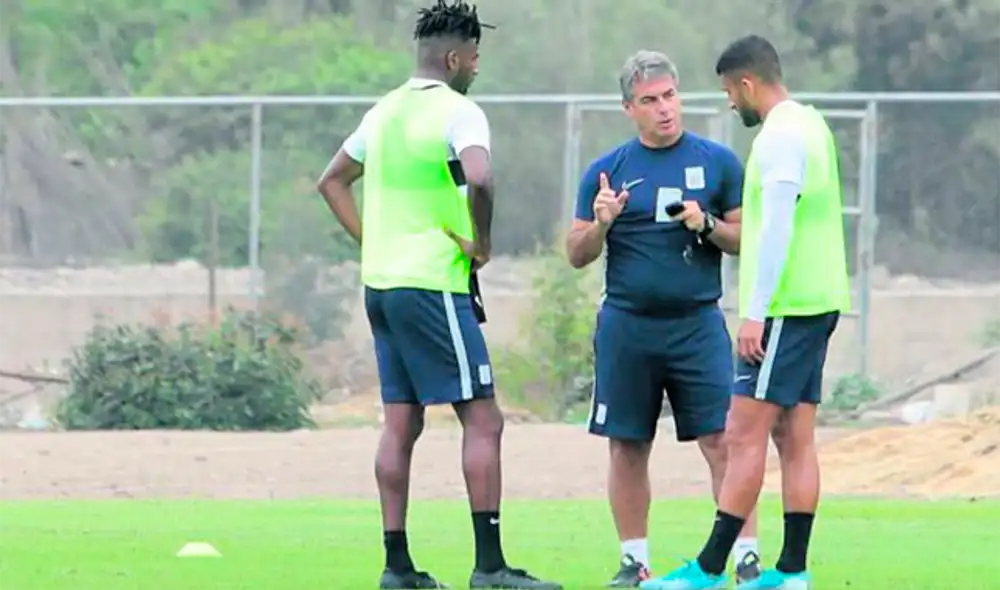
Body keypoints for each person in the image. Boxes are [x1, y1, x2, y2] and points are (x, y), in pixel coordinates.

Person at [316, 2, 562, 589]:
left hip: (381, 285)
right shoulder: (461, 112)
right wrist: (482, 242)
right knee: (484, 418)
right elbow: (479, 177)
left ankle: (397, 569)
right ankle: (490, 568)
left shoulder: (382, 113)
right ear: (454, 58)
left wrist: (373, 241)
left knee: (401, 422)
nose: (476, 68)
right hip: (431, 286)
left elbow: (331, 181)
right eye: (474, 58)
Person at [641, 35, 851, 590]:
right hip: (820, 299)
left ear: (748, 83)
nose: (731, 104)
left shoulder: (781, 136)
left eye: (731, 93)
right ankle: (792, 572)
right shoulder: (812, 123)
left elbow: (778, 223)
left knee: (742, 432)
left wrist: (755, 313)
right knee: (795, 437)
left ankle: (708, 570)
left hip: (786, 306)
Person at [565, 50, 761, 588]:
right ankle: (634, 559)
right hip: (628, 323)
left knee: (722, 439)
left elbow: (746, 239)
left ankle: (744, 554)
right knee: (628, 443)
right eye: (650, 101)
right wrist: (602, 222)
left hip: (697, 323)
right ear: (630, 108)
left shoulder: (719, 162)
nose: (665, 109)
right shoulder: (607, 171)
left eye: (670, 96)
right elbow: (576, 253)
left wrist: (707, 225)